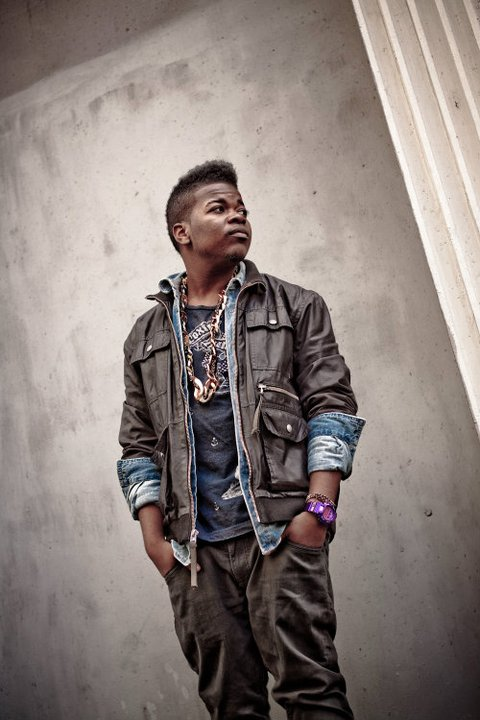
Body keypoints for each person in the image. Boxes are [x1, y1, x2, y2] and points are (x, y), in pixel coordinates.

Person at [117, 160, 365, 720]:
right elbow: (137, 447)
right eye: (220, 208)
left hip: (279, 536)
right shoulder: (146, 336)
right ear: (182, 232)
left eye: (242, 208)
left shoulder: (296, 306)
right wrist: (157, 546)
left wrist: (318, 512)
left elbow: (331, 408)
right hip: (194, 556)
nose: (238, 217)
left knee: (312, 693)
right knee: (232, 707)